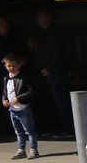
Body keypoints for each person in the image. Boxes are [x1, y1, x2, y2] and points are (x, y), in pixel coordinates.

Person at [30, 8, 71, 138]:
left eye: (41, 16)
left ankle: (69, 128)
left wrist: (49, 67)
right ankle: (62, 127)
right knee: (55, 100)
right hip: (48, 72)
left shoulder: (53, 33)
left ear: (49, 18)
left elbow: (58, 52)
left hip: (56, 72)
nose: (38, 19)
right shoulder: (43, 33)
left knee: (61, 100)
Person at [1, 53, 38, 159]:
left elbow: (31, 92)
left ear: (19, 65)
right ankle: (21, 150)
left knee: (29, 131)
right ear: (5, 66)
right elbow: (5, 92)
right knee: (18, 131)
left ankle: (33, 150)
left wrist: (18, 99)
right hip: (12, 109)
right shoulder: (6, 78)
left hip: (23, 108)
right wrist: (4, 100)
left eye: (13, 65)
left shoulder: (23, 78)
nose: (11, 68)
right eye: (9, 66)